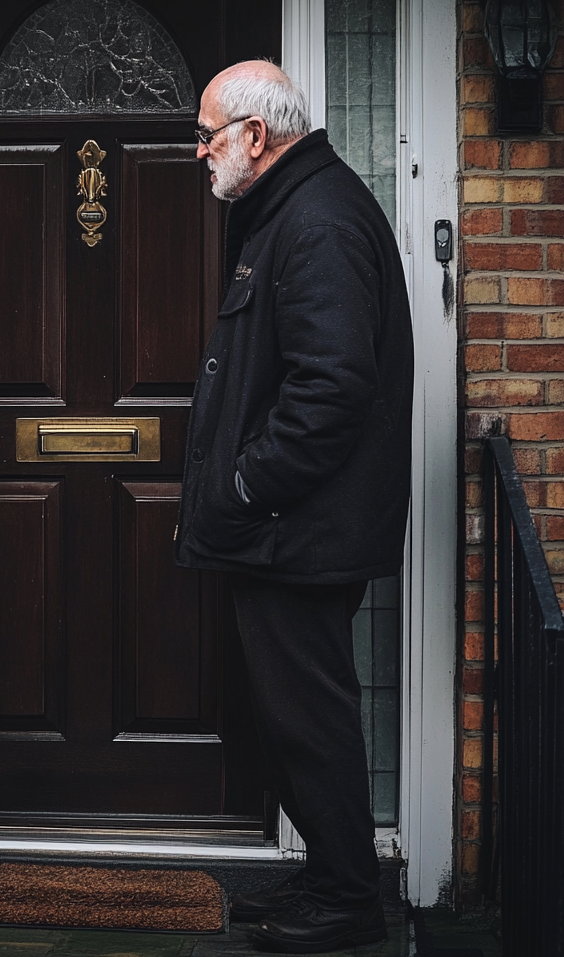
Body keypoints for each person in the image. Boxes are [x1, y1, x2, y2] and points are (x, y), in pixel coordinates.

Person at [175, 62, 413, 953]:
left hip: (298, 532)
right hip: (290, 530)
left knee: (309, 718)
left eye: (207, 136)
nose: (199, 153)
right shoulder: (292, 210)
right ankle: (330, 879)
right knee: (297, 716)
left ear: (255, 136)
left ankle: (347, 901)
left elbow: (331, 387)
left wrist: (245, 485)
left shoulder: (314, 221)